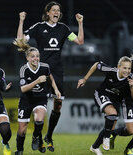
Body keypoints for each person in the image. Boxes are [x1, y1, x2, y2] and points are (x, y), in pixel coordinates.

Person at [17, 1, 84, 151]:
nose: (56, 13)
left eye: (58, 11)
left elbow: (80, 41)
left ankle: (48, 136)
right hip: (41, 71)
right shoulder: (39, 27)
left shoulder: (64, 28)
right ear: (47, 12)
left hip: (57, 71)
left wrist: (80, 23)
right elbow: (21, 40)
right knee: (40, 105)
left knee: (58, 103)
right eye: (53, 10)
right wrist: (21, 21)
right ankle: (39, 138)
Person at [77, 56, 133, 155]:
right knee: (112, 114)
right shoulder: (111, 71)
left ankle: (95, 147)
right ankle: (106, 137)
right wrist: (84, 79)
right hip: (102, 94)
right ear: (119, 67)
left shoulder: (131, 78)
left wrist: (131, 87)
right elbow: (97, 65)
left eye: (129, 68)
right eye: (124, 68)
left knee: (110, 126)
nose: (127, 71)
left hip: (116, 100)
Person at [13, 39, 61, 155]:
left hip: (40, 98)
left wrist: (56, 89)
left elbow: (51, 78)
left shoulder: (44, 67)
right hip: (26, 100)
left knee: (39, 120)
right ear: (28, 58)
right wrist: (37, 81)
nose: (36, 59)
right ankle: (19, 150)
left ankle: (35, 137)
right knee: (22, 130)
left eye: (37, 56)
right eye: (33, 57)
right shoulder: (23, 69)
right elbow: (23, 89)